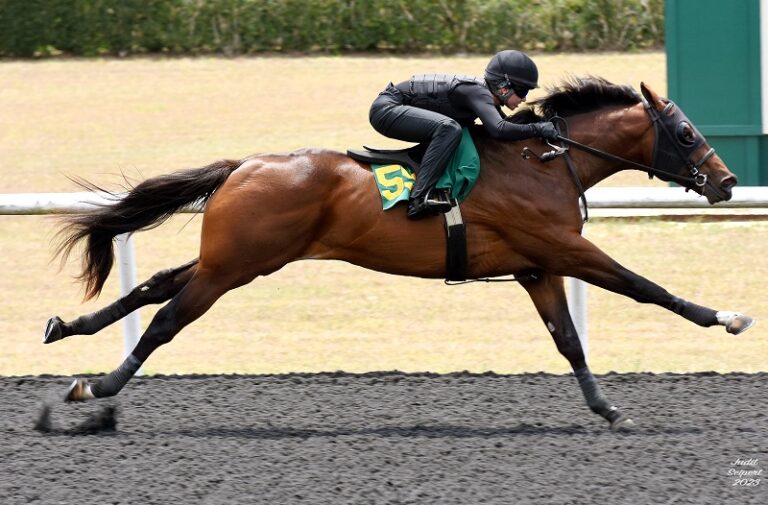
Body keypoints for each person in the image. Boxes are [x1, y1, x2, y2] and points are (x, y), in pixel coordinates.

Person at [369, 50, 558, 220]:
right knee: (450, 129)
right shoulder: (478, 93)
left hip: (395, 107)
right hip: (387, 109)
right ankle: (419, 199)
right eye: (522, 91)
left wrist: (540, 123)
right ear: (503, 86)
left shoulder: (483, 97)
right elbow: (499, 129)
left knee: (452, 129)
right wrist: (537, 129)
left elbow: (507, 127)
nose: (524, 98)